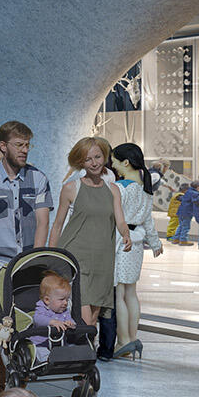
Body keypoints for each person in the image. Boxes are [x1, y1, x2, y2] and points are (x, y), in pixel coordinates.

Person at [0, 121, 53, 345]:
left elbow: (43, 222)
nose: (24, 149)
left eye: (27, 145)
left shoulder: (39, 179)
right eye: (19, 145)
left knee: (27, 325)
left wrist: (36, 259)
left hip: (27, 262)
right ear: (3, 146)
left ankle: (23, 372)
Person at [49, 137, 125, 329]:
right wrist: (50, 256)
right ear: (80, 162)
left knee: (94, 318)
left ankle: (87, 352)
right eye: (88, 159)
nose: (94, 163)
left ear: (104, 157)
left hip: (103, 259)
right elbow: (57, 225)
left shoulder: (113, 189)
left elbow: (120, 220)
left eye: (98, 157)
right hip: (76, 255)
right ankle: (84, 353)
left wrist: (126, 235)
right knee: (83, 315)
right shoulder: (71, 188)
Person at [108, 144, 155, 359]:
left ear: (125, 162)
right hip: (137, 245)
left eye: (115, 161)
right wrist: (155, 243)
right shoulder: (146, 189)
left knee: (119, 293)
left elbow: (115, 219)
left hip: (121, 242)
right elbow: (149, 221)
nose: (113, 166)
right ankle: (133, 338)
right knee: (132, 293)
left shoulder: (119, 187)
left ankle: (123, 340)